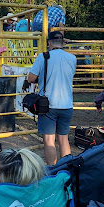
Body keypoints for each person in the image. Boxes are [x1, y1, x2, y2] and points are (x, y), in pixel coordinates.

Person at [27, 31, 77, 165]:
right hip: (67, 104)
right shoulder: (72, 58)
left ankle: (52, 170)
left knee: (49, 140)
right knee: (63, 139)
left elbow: (31, 78)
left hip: (48, 104)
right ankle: (66, 168)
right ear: (63, 42)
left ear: (49, 43)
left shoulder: (43, 57)